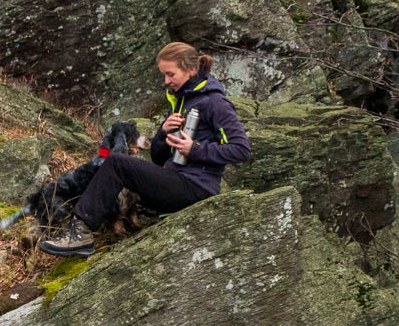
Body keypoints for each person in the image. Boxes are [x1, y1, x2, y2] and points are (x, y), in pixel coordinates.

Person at [39, 42, 251, 257]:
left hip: (196, 188)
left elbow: (241, 149)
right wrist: (162, 133)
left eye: (171, 74)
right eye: (164, 75)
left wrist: (194, 148)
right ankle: (71, 224)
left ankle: (80, 235)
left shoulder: (216, 103)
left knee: (116, 163)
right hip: (174, 180)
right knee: (106, 165)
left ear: (191, 69)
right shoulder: (181, 101)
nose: (166, 81)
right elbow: (159, 159)